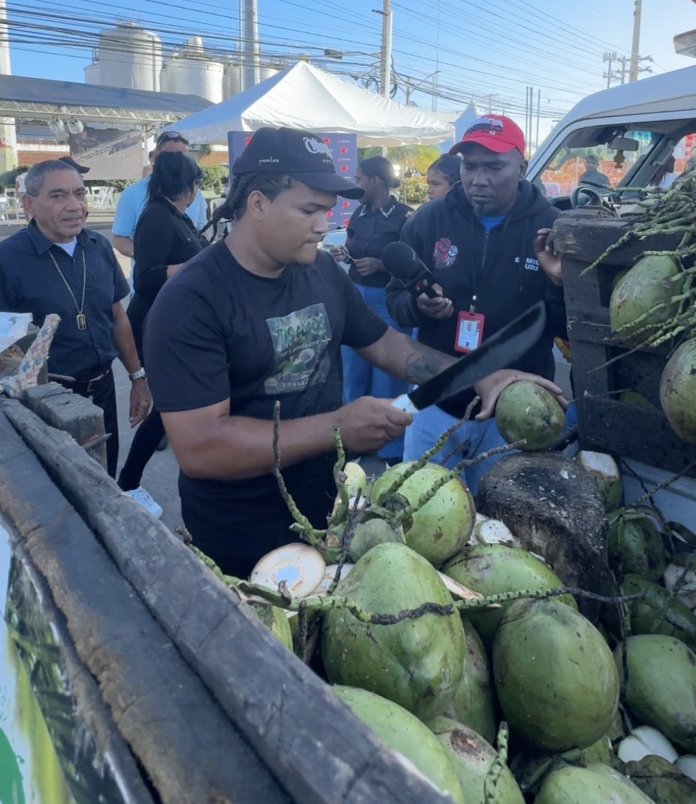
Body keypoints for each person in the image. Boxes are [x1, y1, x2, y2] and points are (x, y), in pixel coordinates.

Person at [143, 126, 473, 578]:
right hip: (240, 534)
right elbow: (201, 447)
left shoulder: (321, 270)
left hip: (330, 513)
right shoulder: (192, 300)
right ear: (257, 204)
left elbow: (384, 342)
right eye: (309, 210)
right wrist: (338, 427)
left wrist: (476, 373)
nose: (324, 225)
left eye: (328, 211)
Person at [386, 114, 567, 495]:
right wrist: (419, 307)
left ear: (522, 167)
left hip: (515, 415)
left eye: (494, 167)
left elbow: (567, 329)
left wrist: (558, 283)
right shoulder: (429, 220)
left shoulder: (553, 227)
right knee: (420, 511)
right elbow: (395, 300)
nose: (478, 179)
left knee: (501, 520)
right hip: (436, 404)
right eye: (469, 166)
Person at [0, 160, 151, 477]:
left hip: (102, 390)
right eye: (58, 196)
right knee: (56, 486)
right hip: (43, 400)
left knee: (105, 474)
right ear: (29, 204)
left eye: (79, 194)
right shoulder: (7, 260)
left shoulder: (98, 247)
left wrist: (137, 378)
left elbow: (117, 316)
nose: (74, 206)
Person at [116, 152, 205, 517]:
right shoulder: (156, 216)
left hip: (174, 323)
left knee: (176, 402)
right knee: (166, 405)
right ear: (188, 185)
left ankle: (132, 480)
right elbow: (147, 276)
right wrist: (195, 264)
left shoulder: (175, 215)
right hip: (153, 324)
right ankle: (128, 483)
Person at [333, 155, 414, 464]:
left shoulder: (405, 217)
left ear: (376, 181)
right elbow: (350, 244)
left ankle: (391, 446)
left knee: (389, 376)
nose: (355, 186)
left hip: (388, 301)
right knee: (353, 371)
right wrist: (343, 253)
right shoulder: (359, 213)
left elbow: (412, 261)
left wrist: (381, 265)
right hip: (356, 297)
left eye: (359, 180)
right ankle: (353, 440)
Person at [111, 132, 207, 262]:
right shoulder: (132, 193)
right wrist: (146, 258)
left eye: (182, 156)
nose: (177, 161)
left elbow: (202, 230)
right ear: (156, 155)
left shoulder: (195, 192)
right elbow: (119, 238)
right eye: (171, 154)